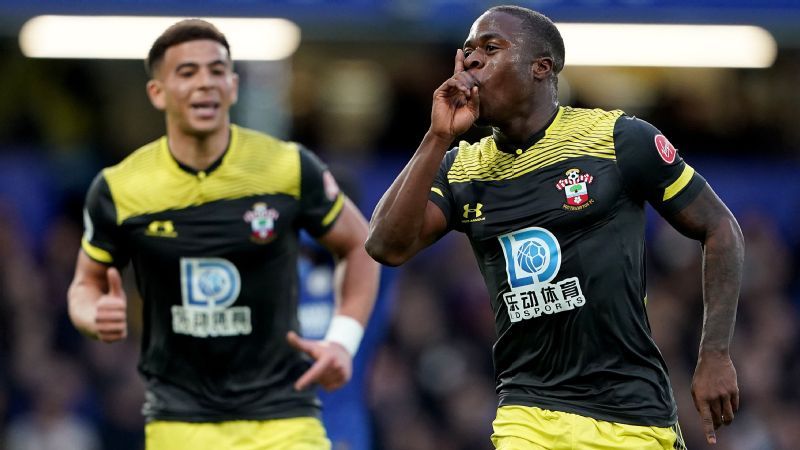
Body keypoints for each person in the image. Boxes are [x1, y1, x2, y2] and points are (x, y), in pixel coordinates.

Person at [366, 5, 743, 450]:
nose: (471, 61)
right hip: (528, 415)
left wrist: (715, 353)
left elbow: (720, 227)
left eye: (490, 48)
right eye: (467, 52)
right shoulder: (462, 169)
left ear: (541, 68)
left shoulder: (617, 139)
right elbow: (385, 245)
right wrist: (437, 136)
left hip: (631, 414)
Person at [67, 19, 380, 450]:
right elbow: (85, 283)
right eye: (187, 72)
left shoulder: (287, 168)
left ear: (232, 87)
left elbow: (360, 245)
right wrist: (91, 314)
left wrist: (342, 341)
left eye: (217, 71)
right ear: (157, 92)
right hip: (179, 424)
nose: (205, 83)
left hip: (284, 421)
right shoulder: (120, 188)